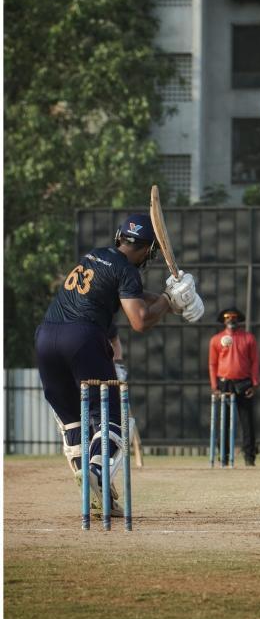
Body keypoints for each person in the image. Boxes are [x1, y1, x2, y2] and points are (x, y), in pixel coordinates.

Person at [35, 212, 204, 517]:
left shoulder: (96, 256)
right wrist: (168, 298)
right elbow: (139, 320)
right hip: (82, 337)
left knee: (73, 420)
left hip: (46, 336)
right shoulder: (127, 270)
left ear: (119, 237)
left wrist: (174, 304)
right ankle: (97, 473)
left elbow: (133, 296)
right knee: (114, 417)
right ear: (148, 250)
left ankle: (97, 494)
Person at [209, 307, 259, 466]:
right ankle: (223, 455)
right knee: (224, 422)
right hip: (225, 382)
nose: (231, 319)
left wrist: (254, 383)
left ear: (239, 319)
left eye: (234, 317)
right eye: (227, 317)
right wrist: (214, 385)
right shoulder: (216, 339)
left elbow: (255, 362)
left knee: (247, 422)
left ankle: (249, 457)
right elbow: (212, 364)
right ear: (223, 320)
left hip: (244, 382)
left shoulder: (248, 338)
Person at [107, 322, 144, 468]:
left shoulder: (107, 323)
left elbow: (115, 343)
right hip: (99, 369)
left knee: (126, 413)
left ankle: (138, 452)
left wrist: (117, 364)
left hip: (114, 369)